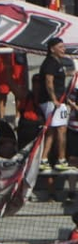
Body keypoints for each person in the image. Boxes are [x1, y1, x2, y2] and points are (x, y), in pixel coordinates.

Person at [40, 37, 74, 171]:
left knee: (52, 130)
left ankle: (44, 158)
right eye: (60, 47)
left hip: (60, 101)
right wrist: (54, 99)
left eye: (64, 47)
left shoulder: (58, 62)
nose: (63, 49)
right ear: (52, 49)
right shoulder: (50, 63)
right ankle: (61, 159)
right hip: (53, 102)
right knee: (61, 129)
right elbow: (49, 82)